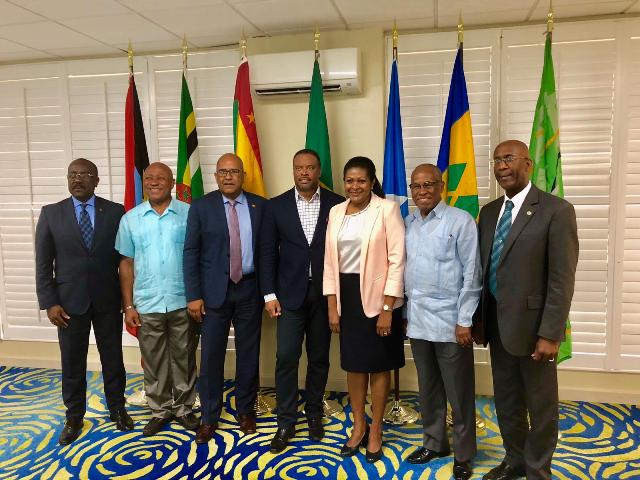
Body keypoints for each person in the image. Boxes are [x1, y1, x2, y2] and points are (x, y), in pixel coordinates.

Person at [475, 140, 578, 480]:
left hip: (535, 331)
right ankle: (514, 459)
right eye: (496, 160)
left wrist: (551, 333)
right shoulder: (489, 213)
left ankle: (537, 469)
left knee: (541, 405)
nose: (501, 166)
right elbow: (485, 269)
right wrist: (479, 321)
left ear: (528, 164)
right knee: (506, 401)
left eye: (508, 158)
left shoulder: (556, 210)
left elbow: (562, 279)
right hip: (497, 328)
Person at [35, 158, 132, 445]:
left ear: (96, 180)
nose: (77, 179)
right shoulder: (52, 214)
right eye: (72, 174)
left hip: (107, 300)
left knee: (113, 359)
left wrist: (127, 301)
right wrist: (50, 301)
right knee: (72, 362)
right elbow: (43, 264)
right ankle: (74, 416)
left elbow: (124, 259)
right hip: (67, 304)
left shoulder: (115, 212)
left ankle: (118, 408)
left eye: (84, 174)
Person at [259, 149, 344, 453]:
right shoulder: (276, 206)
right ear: (293, 171)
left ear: (319, 170)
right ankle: (285, 422)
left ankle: (313, 414)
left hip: (324, 294)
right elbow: (267, 253)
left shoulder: (337, 204)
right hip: (288, 295)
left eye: (310, 167)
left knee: (319, 358)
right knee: (286, 358)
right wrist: (269, 294)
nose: (304, 173)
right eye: (299, 168)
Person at [323, 156, 405, 463]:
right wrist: (332, 305)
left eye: (360, 180)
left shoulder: (387, 209)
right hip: (346, 298)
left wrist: (388, 307)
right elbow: (330, 262)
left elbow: (397, 260)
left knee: (379, 364)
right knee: (354, 365)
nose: (354, 186)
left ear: (371, 183)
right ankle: (359, 425)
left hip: (378, 298)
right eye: (349, 180)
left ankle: (376, 429)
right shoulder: (335, 211)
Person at [404, 164, 481, 480]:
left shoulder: (460, 221)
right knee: (429, 388)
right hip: (418, 321)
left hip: (452, 324)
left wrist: (465, 320)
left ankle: (463, 454)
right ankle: (435, 443)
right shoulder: (409, 224)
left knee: (459, 391)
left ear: (441, 186)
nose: (422, 192)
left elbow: (472, 273)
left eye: (428, 185)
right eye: (416, 186)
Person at [184, 153, 266, 444]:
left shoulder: (259, 206)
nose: (228, 176)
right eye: (222, 172)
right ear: (216, 176)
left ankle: (245, 410)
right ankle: (209, 417)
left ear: (243, 175)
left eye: (234, 171)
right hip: (213, 293)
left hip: (249, 289)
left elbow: (268, 252)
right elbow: (191, 252)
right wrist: (193, 296)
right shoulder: (201, 207)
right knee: (210, 357)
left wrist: (268, 293)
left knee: (248, 354)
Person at [115, 162, 198, 436]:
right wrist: (128, 305)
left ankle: (184, 408)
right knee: (153, 360)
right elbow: (126, 263)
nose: (154, 182)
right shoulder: (131, 219)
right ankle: (160, 410)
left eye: (161, 178)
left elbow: (199, 257)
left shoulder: (188, 214)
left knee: (184, 357)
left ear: (172, 183)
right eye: (149, 178)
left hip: (182, 300)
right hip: (147, 302)